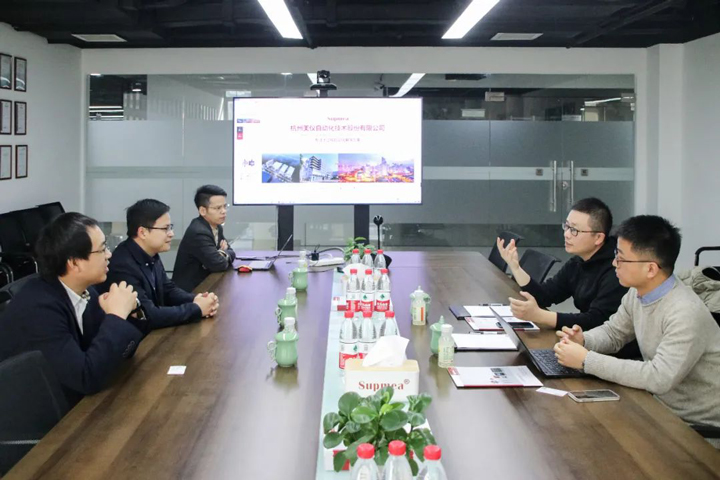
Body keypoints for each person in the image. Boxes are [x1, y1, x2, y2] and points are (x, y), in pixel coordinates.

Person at [554, 215, 720, 431]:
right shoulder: (638, 293)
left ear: (651, 269)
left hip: (696, 428)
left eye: (621, 259)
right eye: (616, 255)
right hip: (657, 406)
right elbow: (614, 333)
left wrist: (587, 360)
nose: (614, 263)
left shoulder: (685, 312)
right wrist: (584, 340)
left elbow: (659, 377)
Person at [0, 213, 144, 407]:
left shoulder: (85, 290)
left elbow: (123, 352)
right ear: (74, 262)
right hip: (38, 412)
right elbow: (86, 379)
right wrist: (116, 316)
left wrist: (127, 311)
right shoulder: (40, 309)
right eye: (102, 249)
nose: (109, 255)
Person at [497, 198, 628, 331]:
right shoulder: (577, 262)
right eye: (566, 226)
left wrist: (540, 316)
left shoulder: (616, 269)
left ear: (598, 238)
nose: (566, 234)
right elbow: (545, 295)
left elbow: (597, 320)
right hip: (584, 337)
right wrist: (516, 267)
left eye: (574, 230)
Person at [100, 199, 218, 332]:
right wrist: (196, 309)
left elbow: (168, 289)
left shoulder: (151, 253)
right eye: (165, 228)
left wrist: (196, 299)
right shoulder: (123, 265)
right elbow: (149, 314)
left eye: (170, 227)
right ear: (143, 232)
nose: (171, 233)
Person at [173, 185, 236, 292]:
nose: (223, 211)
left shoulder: (217, 227)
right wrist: (222, 253)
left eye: (225, 206)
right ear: (203, 210)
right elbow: (218, 264)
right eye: (218, 208)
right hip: (191, 291)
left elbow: (231, 252)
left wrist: (222, 254)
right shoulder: (199, 232)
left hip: (208, 284)